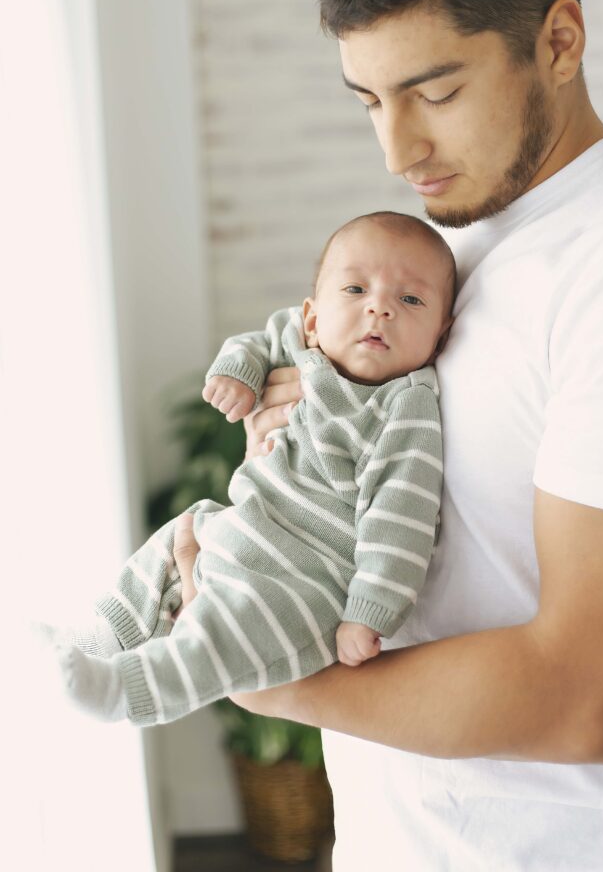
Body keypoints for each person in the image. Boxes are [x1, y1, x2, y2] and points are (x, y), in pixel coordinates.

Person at [181, 0, 603, 870]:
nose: (396, 150)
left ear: (558, 40)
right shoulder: (438, 248)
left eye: (434, 90)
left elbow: (593, 702)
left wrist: (270, 681)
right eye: (368, 99)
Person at [44, 211, 456, 726]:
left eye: (410, 299)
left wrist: (366, 613)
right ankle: (96, 637)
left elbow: (400, 522)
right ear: (312, 317)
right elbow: (256, 342)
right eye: (355, 289)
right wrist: (237, 374)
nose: (379, 308)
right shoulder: (303, 345)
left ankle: (127, 693)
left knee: (221, 636)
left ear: (440, 338)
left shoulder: (404, 407)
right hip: (242, 527)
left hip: (305, 581)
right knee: (181, 533)